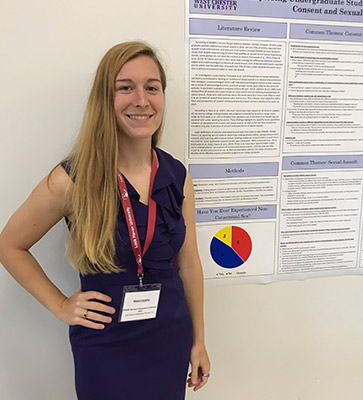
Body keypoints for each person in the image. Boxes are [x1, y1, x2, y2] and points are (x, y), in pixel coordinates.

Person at [0, 41, 210, 399]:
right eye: (125, 87)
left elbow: (188, 263)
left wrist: (199, 340)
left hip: (170, 339)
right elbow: (10, 245)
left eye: (152, 87)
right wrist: (60, 305)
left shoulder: (178, 176)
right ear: (104, 98)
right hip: (106, 344)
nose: (141, 100)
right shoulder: (73, 180)